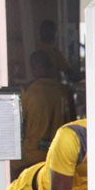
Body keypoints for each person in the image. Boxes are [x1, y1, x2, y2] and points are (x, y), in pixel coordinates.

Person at [12, 50, 75, 180]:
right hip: (59, 152)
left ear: (33, 68)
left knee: (7, 166)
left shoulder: (27, 91)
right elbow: (73, 124)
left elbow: (16, 125)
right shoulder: (65, 91)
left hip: (32, 154)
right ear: (50, 67)